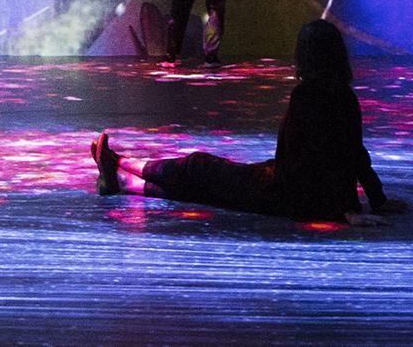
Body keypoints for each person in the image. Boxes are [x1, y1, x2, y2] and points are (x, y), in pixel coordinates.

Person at [91, 20, 395, 224]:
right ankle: (120, 178)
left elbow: (317, 160)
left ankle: (120, 164)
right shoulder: (345, 97)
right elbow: (354, 155)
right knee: (203, 185)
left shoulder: (306, 97)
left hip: (287, 194)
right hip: (300, 193)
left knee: (199, 168)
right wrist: (375, 199)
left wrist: (343, 209)